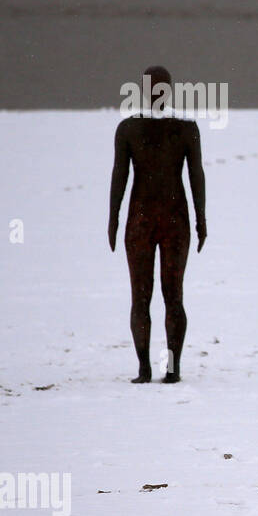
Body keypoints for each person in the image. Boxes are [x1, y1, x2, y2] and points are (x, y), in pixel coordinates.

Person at [108, 66, 207, 383]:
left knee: (145, 296)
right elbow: (195, 178)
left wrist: (114, 217)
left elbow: (120, 178)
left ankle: (148, 369)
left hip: (141, 219)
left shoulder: (129, 129)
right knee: (169, 295)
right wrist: (200, 218)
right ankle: (164, 369)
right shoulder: (183, 129)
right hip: (173, 218)